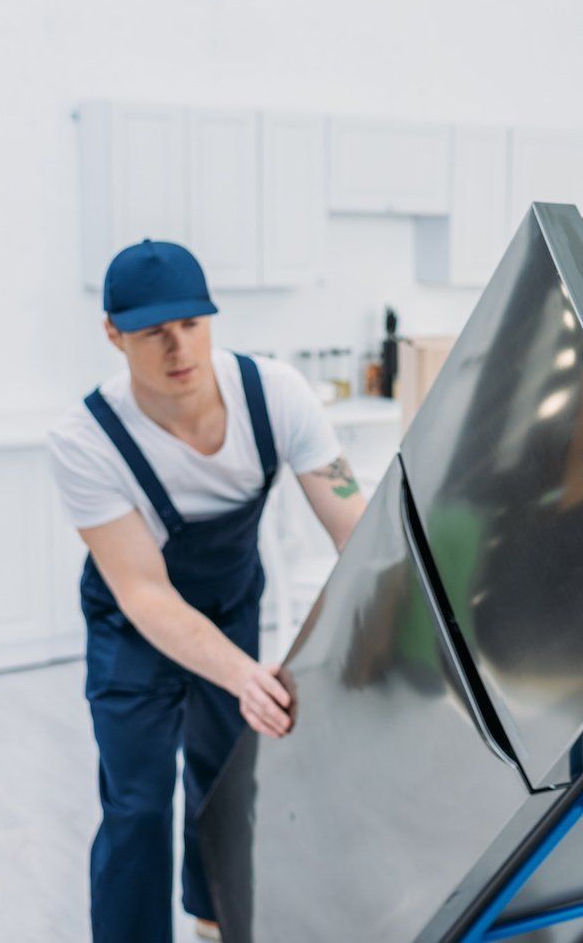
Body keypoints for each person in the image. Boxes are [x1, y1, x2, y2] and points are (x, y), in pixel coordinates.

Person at [46, 240, 369, 942]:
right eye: (153, 333)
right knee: (136, 803)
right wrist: (243, 675)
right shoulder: (85, 440)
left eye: (192, 324)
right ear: (113, 334)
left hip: (229, 605)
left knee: (224, 786)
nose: (178, 348)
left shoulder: (273, 394)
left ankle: (215, 919)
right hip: (133, 630)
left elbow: (355, 524)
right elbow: (143, 593)